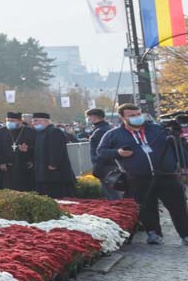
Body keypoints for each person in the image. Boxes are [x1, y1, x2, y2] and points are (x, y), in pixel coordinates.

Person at [94, 104, 187, 245]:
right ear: (122, 117)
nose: (137, 117)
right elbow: (101, 151)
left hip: (167, 175)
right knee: (147, 207)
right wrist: (117, 152)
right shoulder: (113, 134)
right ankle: (154, 233)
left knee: (178, 206)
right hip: (138, 177)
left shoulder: (157, 129)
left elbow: (178, 145)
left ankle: (185, 234)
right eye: (132, 115)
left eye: (138, 114)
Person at [25, 113, 78, 198]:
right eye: (33, 121)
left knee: (59, 196)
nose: (33, 123)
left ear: (45, 121)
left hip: (55, 173)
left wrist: (53, 163)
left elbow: (57, 149)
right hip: (42, 172)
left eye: (36, 121)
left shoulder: (54, 131)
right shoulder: (39, 133)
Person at [0, 113, 35, 192]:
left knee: (24, 189)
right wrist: (0, 162)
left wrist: (29, 153)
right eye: (8, 120)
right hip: (7, 167)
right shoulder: (1, 132)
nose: (9, 122)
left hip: (24, 167)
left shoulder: (30, 131)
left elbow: (35, 147)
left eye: (12, 121)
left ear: (20, 121)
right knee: (7, 189)